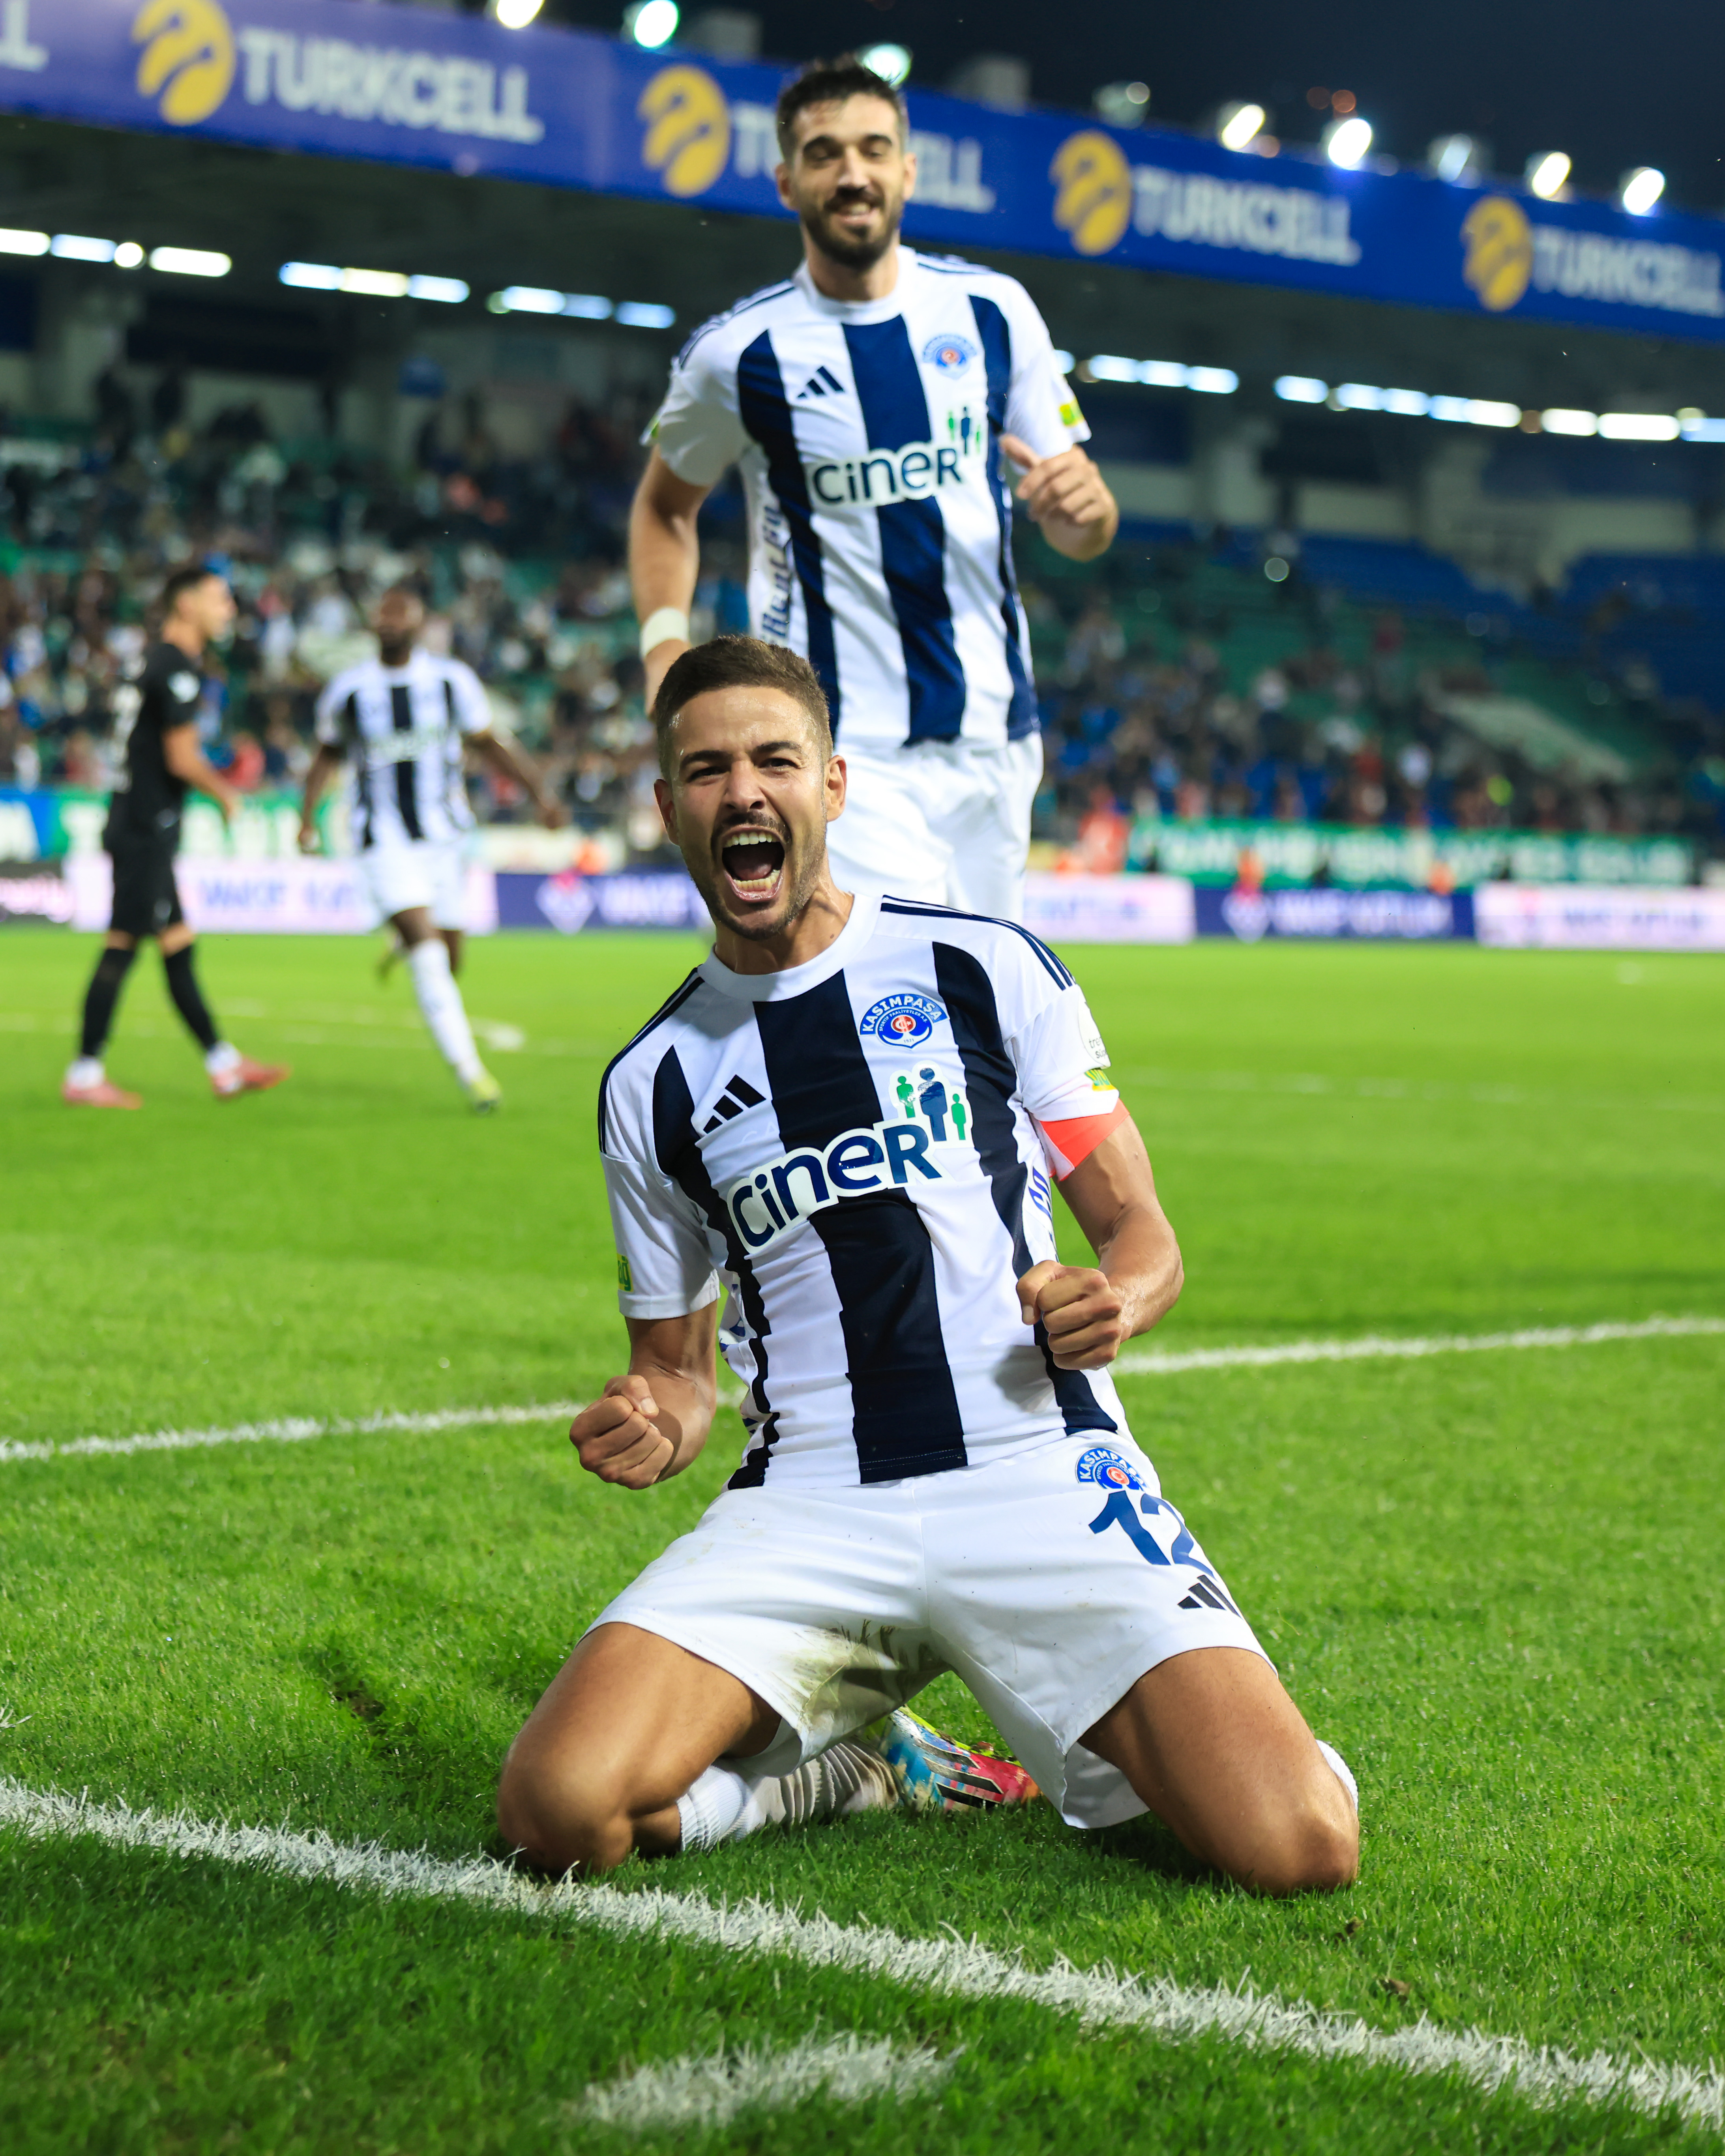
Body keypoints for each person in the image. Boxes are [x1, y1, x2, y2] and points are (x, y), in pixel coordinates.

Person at [496, 636, 1360, 1891]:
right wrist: (653, 1420)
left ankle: (1160, 1723)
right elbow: (676, 1376)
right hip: (810, 1505)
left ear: (831, 785)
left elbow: (1142, 1232)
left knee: (1298, 1847)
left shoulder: (982, 965)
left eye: (774, 760)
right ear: (668, 805)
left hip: (1036, 1472)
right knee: (556, 1808)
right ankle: (827, 1775)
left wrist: (1114, 1299)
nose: (743, 791)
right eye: (708, 770)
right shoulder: (651, 1081)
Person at [628, 54, 1119, 925]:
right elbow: (665, 506)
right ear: (787, 182)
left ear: (907, 171)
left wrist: (1089, 515)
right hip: (840, 746)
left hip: (996, 738)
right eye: (824, 154)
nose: (852, 173)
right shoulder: (736, 354)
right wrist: (664, 649)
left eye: (873, 149)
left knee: (983, 993)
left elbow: (1083, 524)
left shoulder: (995, 313)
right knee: (896, 986)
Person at [299, 585, 566, 1113]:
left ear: (420, 624)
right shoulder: (349, 690)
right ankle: (473, 1076)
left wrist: (540, 795)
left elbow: (490, 742)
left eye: (401, 612)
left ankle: (401, 939)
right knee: (430, 956)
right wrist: (307, 818)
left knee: (451, 956)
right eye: (383, 611)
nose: (390, 619)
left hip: (445, 839)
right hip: (382, 838)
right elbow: (326, 755)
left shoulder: (450, 681)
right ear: (372, 623)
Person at [63, 565, 289, 1110]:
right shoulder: (177, 669)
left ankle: (223, 1065)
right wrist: (227, 794)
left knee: (177, 944)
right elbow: (181, 758)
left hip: (136, 819)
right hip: (146, 826)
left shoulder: (151, 660)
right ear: (186, 605)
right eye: (219, 599)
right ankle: (85, 1073)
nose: (229, 610)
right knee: (123, 944)